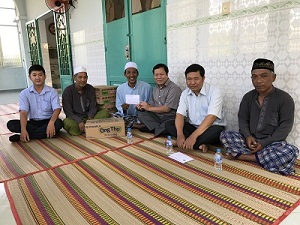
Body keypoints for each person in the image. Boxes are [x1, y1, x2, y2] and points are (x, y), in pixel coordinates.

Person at [220, 58, 299, 175]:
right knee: (226, 135)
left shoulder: (284, 98)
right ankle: (261, 158)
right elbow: (242, 120)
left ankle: (244, 157)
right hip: (249, 142)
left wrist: (264, 143)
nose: (258, 81)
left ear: (274, 77)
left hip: (272, 144)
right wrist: (247, 136)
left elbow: (285, 127)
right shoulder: (248, 97)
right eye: (254, 77)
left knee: (290, 151)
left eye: (264, 76)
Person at [165, 64, 226, 152]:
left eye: (196, 79)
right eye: (189, 79)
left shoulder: (215, 92)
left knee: (217, 132)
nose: (192, 82)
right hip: (193, 127)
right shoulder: (185, 93)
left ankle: (183, 143)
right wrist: (179, 135)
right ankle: (200, 144)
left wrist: (193, 137)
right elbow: (180, 114)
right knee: (169, 124)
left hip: (210, 127)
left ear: (203, 78)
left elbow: (211, 117)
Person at [7, 65, 63, 142]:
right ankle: (46, 133)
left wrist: (51, 122)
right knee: (11, 124)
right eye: (34, 75)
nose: (37, 78)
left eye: (40, 75)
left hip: (48, 122)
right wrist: (23, 129)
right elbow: (23, 112)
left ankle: (27, 136)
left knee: (59, 123)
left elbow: (57, 109)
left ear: (45, 76)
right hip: (32, 123)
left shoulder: (52, 92)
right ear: (30, 77)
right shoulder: (25, 93)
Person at [62, 66, 109, 136]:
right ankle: (90, 129)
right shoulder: (68, 91)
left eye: (85, 77)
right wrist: (79, 121)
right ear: (74, 78)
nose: (83, 80)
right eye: (80, 77)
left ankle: (85, 129)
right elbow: (68, 111)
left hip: (89, 117)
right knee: (67, 122)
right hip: (75, 119)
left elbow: (93, 106)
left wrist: (90, 119)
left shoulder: (90, 88)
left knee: (105, 113)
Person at [137, 63, 182, 136]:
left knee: (169, 125)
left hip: (170, 118)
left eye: (161, 74)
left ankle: (153, 128)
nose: (159, 77)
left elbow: (166, 109)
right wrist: (142, 106)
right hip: (157, 117)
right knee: (141, 114)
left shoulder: (174, 88)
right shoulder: (155, 88)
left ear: (167, 74)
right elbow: (151, 105)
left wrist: (148, 108)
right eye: (156, 75)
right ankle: (159, 129)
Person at [115, 61, 152, 128]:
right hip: (126, 116)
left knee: (148, 118)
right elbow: (118, 106)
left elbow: (150, 104)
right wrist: (123, 109)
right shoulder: (120, 89)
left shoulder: (147, 87)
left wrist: (143, 108)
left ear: (137, 74)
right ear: (125, 74)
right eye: (128, 72)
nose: (131, 75)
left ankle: (132, 125)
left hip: (141, 116)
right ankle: (136, 125)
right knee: (114, 117)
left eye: (134, 72)